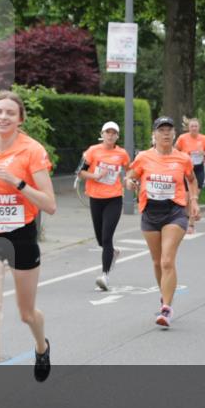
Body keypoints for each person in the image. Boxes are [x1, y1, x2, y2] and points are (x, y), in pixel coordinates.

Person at [0, 91, 56, 408]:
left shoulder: (32, 150)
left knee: (26, 313)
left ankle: (41, 346)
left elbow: (49, 204)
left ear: (20, 119)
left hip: (21, 235)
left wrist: (18, 183)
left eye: (9, 113)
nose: (3, 117)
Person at [125, 116, 201, 329]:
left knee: (167, 260)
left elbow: (192, 180)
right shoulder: (143, 157)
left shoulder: (183, 158)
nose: (166, 133)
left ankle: (166, 308)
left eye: (169, 130)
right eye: (161, 130)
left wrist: (194, 200)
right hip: (150, 212)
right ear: (154, 135)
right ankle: (164, 295)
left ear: (174, 134)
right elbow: (130, 175)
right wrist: (130, 182)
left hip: (174, 212)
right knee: (157, 262)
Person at [79, 121, 130, 291]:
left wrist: (128, 179)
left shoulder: (122, 154)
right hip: (95, 198)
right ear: (102, 134)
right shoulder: (92, 151)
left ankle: (105, 276)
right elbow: (80, 172)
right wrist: (96, 176)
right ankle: (113, 253)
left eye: (114, 133)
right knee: (101, 239)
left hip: (114, 199)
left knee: (107, 237)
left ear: (117, 136)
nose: (110, 135)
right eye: (107, 132)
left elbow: (130, 170)